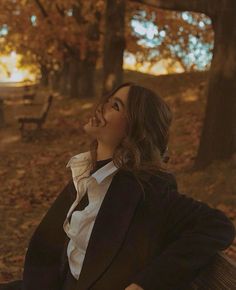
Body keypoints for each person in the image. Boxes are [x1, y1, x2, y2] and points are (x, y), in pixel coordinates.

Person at [0, 83, 235, 290]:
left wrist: (144, 284)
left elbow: (218, 226)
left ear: (136, 128)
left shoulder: (149, 191)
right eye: (108, 100)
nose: (101, 107)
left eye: (116, 106)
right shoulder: (90, 173)